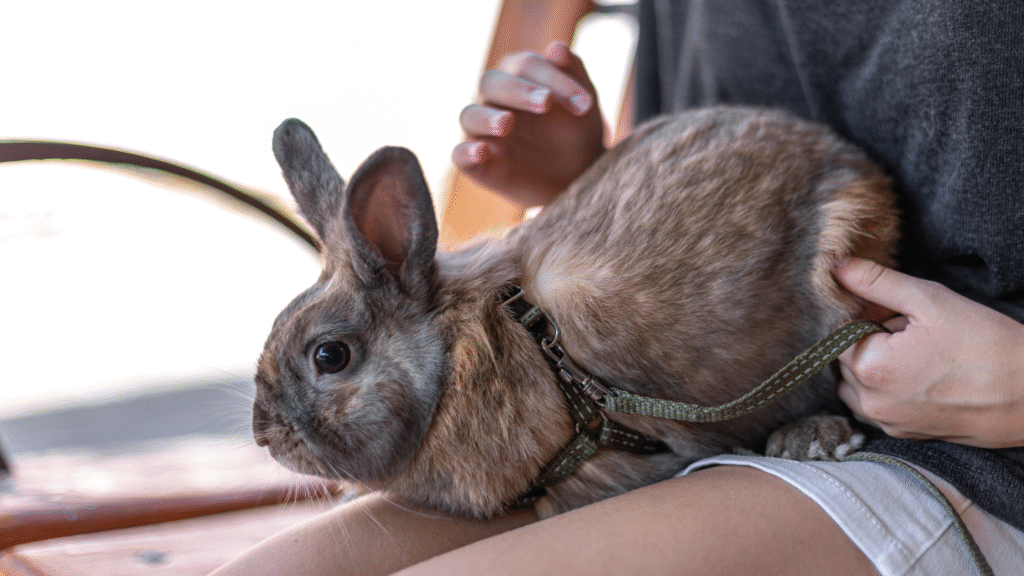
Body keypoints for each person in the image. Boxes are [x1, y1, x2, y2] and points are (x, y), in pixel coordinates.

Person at [213, 2, 1024, 574]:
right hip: (684, 428)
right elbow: (713, 180)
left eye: (330, 360)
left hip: (973, 459)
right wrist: (584, 176)